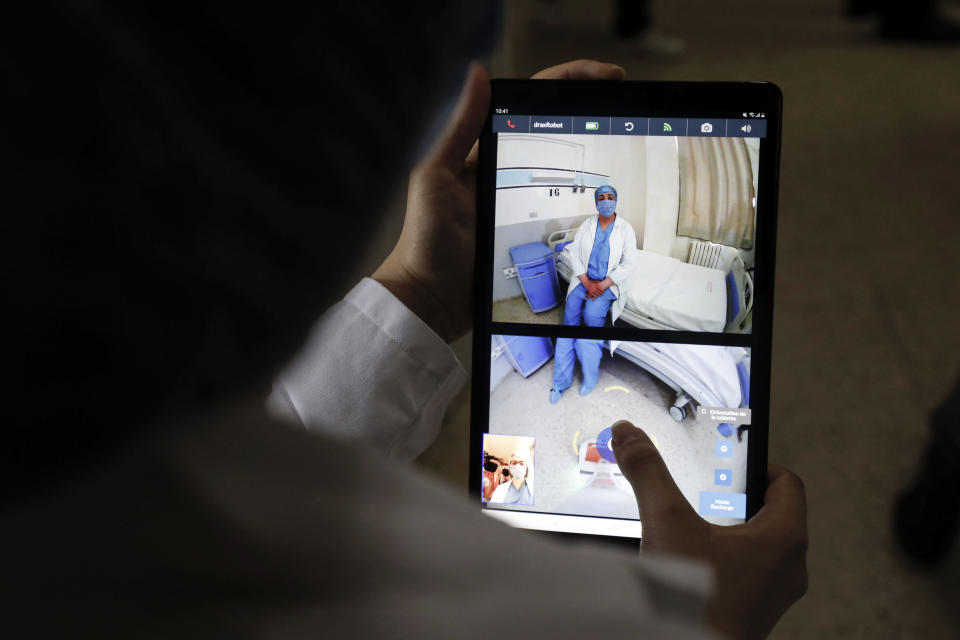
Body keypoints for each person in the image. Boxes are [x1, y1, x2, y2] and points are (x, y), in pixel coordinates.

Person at [5, 3, 807, 637]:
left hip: (605, 298)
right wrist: (712, 632)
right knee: (569, 359)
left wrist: (420, 291)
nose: (599, 205)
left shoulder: (78, 517)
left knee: (590, 352)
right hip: (581, 296)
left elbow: (621, 265)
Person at [550, 185, 638, 402]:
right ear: (596, 202)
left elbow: (629, 263)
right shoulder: (586, 225)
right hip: (583, 281)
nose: (606, 201)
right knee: (569, 319)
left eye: (610, 198)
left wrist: (603, 284)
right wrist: (586, 282)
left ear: (616, 201)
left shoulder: (626, 229)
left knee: (591, 317)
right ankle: (560, 383)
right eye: (602, 198)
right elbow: (574, 255)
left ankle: (590, 377)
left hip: (608, 284)